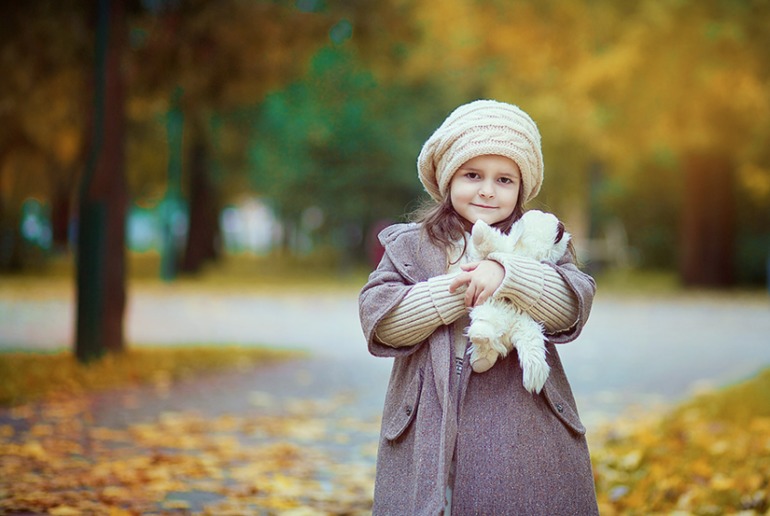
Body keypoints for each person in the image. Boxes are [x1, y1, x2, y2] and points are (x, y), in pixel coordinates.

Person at [358, 99, 599, 515]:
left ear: (521, 188)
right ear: (449, 178)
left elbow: (570, 309)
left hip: (521, 431)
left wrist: (509, 274)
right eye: (473, 175)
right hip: (426, 423)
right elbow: (381, 322)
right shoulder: (410, 245)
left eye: (504, 179)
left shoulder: (538, 241)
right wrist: (461, 290)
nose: (488, 189)